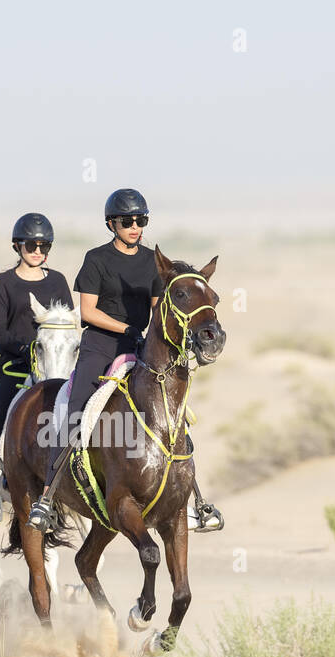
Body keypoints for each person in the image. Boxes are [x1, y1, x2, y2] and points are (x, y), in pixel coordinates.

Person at [27, 189, 223, 533]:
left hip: (139, 349)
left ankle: (198, 502)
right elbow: (88, 311)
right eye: (128, 221)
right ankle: (46, 497)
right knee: (74, 411)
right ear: (111, 224)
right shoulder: (96, 259)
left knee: (176, 419)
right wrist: (128, 327)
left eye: (141, 220)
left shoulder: (152, 262)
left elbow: (158, 310)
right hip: (100, 348)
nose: (135, 227)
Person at [0, 212, 73, 521]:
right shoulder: (5, 283)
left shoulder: (57, 281)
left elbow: (68, 322)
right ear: (17, 245)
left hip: (55, 368)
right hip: (14, 367)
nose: (38, 251)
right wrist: (26, 348)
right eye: (31, 245)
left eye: (44, 246)